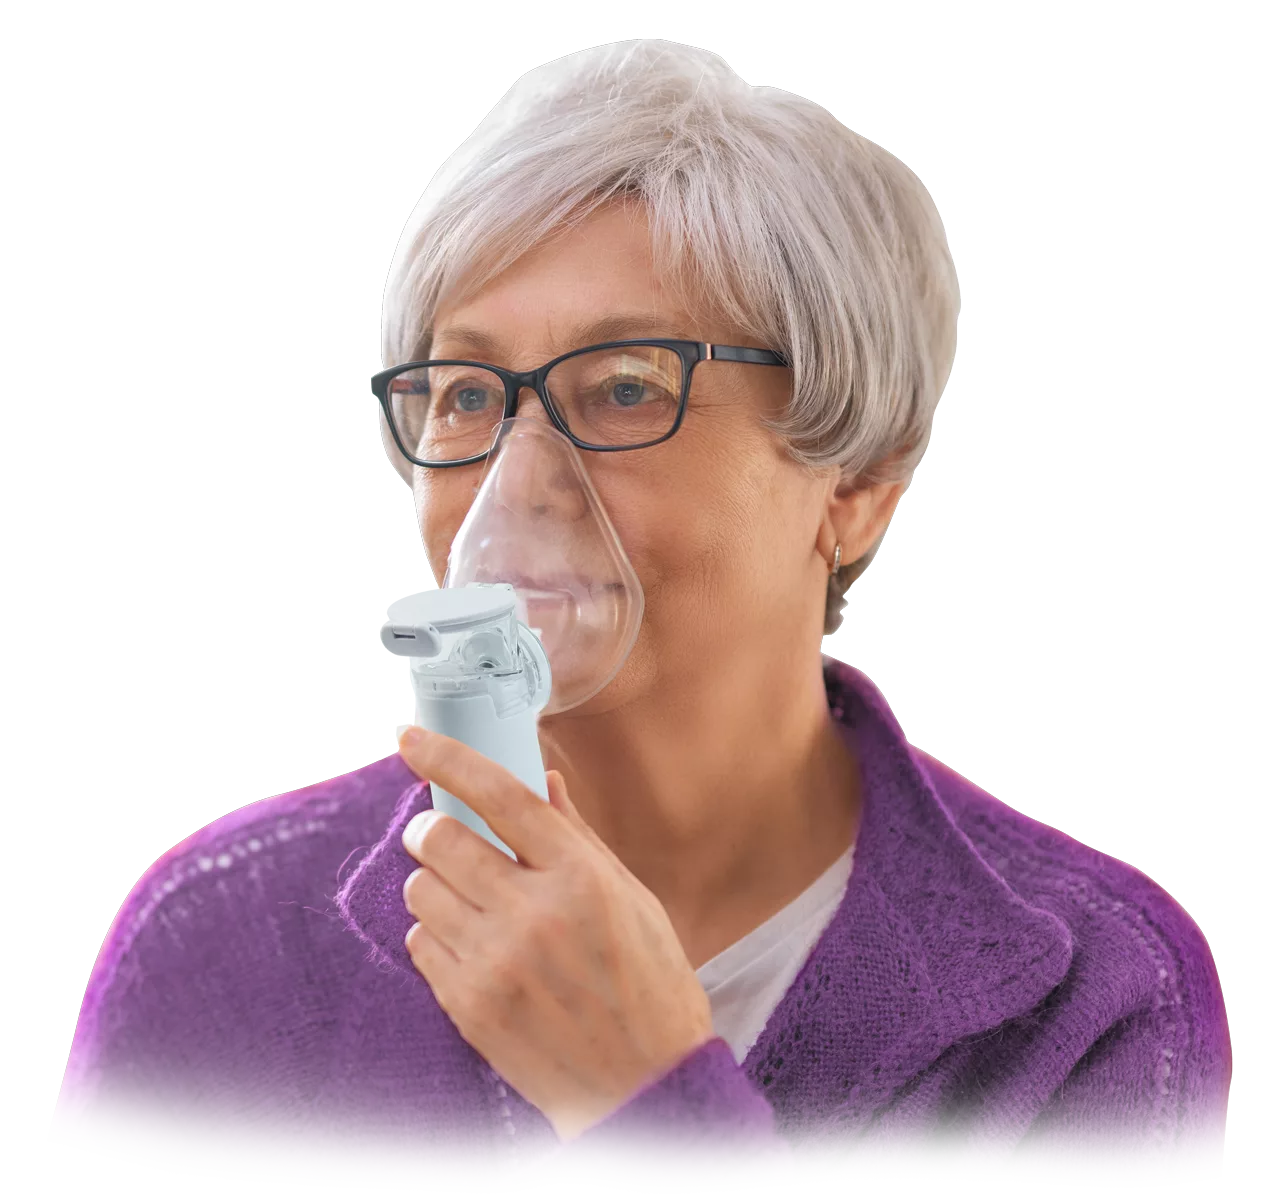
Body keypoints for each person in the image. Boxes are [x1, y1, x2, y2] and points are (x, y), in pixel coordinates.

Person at [47, 37, 1230, 1190]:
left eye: (624, 388)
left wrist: (649, 1110)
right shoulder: (220, 951)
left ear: (856, 484)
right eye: (467, 395)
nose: (516, 487)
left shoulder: (1095, 1002)